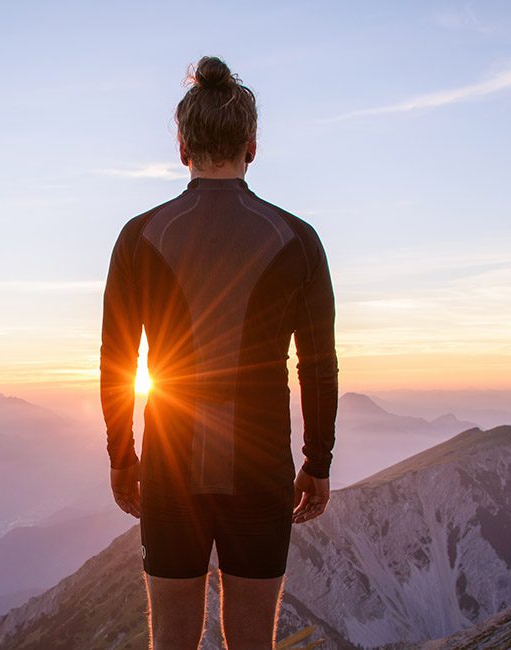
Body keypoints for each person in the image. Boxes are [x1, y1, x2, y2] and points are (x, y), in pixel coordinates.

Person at [99, 56, 339, 649]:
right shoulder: (296, 239)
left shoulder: (140, 237)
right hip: (259, 470)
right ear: (252, 145)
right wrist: (318, 459)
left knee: (172, 642)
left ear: (183, 145)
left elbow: (117, 361)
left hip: (170, 466)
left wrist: (122, 457)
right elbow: (318, 365)